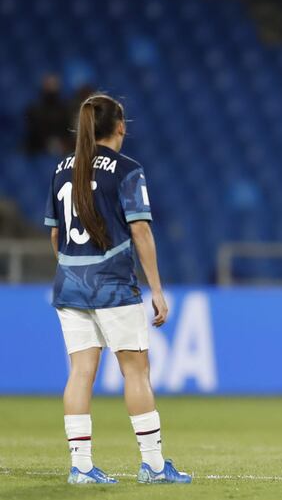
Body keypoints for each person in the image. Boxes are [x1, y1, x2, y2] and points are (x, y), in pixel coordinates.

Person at [44, 94, 191, 484]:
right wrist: (156, 288)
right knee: (136, 371)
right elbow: (140, 229)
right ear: (121, 126)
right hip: (112, 286)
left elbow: (56, 235)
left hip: (70, 286)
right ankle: (155, 466)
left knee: (80, 373)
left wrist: (73, 270)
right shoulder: (127, 169)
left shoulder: (62, 168)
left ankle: (81, 467)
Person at [23, 74, 72, 156]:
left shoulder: (65, 109)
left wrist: (62, 144)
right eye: (49, 86)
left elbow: (68, 131)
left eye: (54, 86)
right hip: (38, 151)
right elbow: (32, 135)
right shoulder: (34, 110)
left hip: (62, 152)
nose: (51, 89)